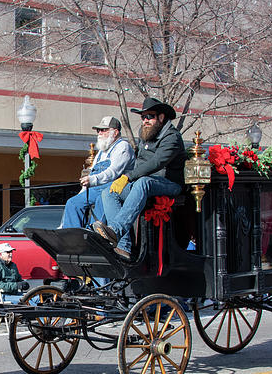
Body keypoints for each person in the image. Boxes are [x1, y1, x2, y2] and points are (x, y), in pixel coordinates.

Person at [92, 97, 186, 260]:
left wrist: (128, 177)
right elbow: (140, 162)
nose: (145, 120)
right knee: (109, 192)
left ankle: (116, 230)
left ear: (161, 117)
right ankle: (123, 247)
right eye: (143, 117)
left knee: (143, 182)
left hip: (170, 183)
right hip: (145, 182)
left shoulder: (173, 137)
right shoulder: (146, 136)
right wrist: (124, 180)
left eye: (149, 116)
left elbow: (157, 162)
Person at [60, 116, 134, 230]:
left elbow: (113, 172)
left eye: (103, 130)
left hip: (116, 187)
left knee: (102, 199)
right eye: (98, 130)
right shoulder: (101, 152)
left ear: (115, 132)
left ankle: (94, 235)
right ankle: (71, 236)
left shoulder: (123, 146)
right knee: (73, 203)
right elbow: (90, 176)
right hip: (96, 188)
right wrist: (83, 190)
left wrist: (92, 180)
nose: (99, 133)